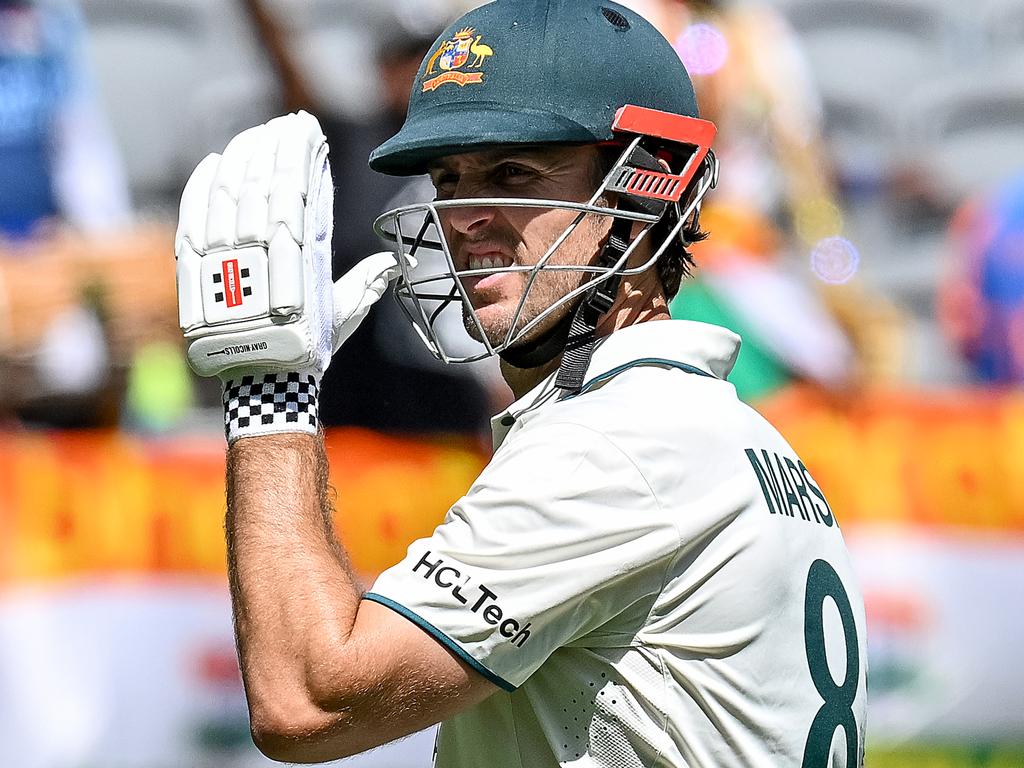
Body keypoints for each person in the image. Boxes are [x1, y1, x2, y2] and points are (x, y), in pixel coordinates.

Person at [173, 1, 867, 766]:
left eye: (513, 171)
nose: (464, 216)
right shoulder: (740, 437)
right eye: (448, 178)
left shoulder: (615, 444)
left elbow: (306, 700)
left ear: (645, 189)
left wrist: (269, 393)